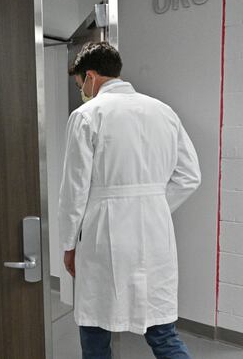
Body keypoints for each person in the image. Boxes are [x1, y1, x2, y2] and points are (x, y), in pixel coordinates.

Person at [58, 42, 201, 359]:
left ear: (91, 76)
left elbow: (74, 190)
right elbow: (190, 176)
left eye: (82, 84)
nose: (83, 91)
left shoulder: (86, 115)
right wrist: (154, 204)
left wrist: (68, 245)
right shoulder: (163, 112)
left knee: (95, 331)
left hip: (103, 237)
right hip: (155, 234)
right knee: (163, 334)